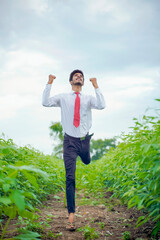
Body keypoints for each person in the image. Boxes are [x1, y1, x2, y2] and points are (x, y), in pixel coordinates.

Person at [42, 69, 105, 231]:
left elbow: (102, 105)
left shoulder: (89, 99)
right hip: (69, 141)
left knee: (87, 161)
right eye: (76, 76)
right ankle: (71, 215)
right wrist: (49, 82)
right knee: (70, 177)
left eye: (81, 76)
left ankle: (86, 156)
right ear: (71, 82)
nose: (79, 77)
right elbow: (45, 102)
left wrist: (96, 86)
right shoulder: (63, 98)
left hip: (84, 141)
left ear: (83, 82)